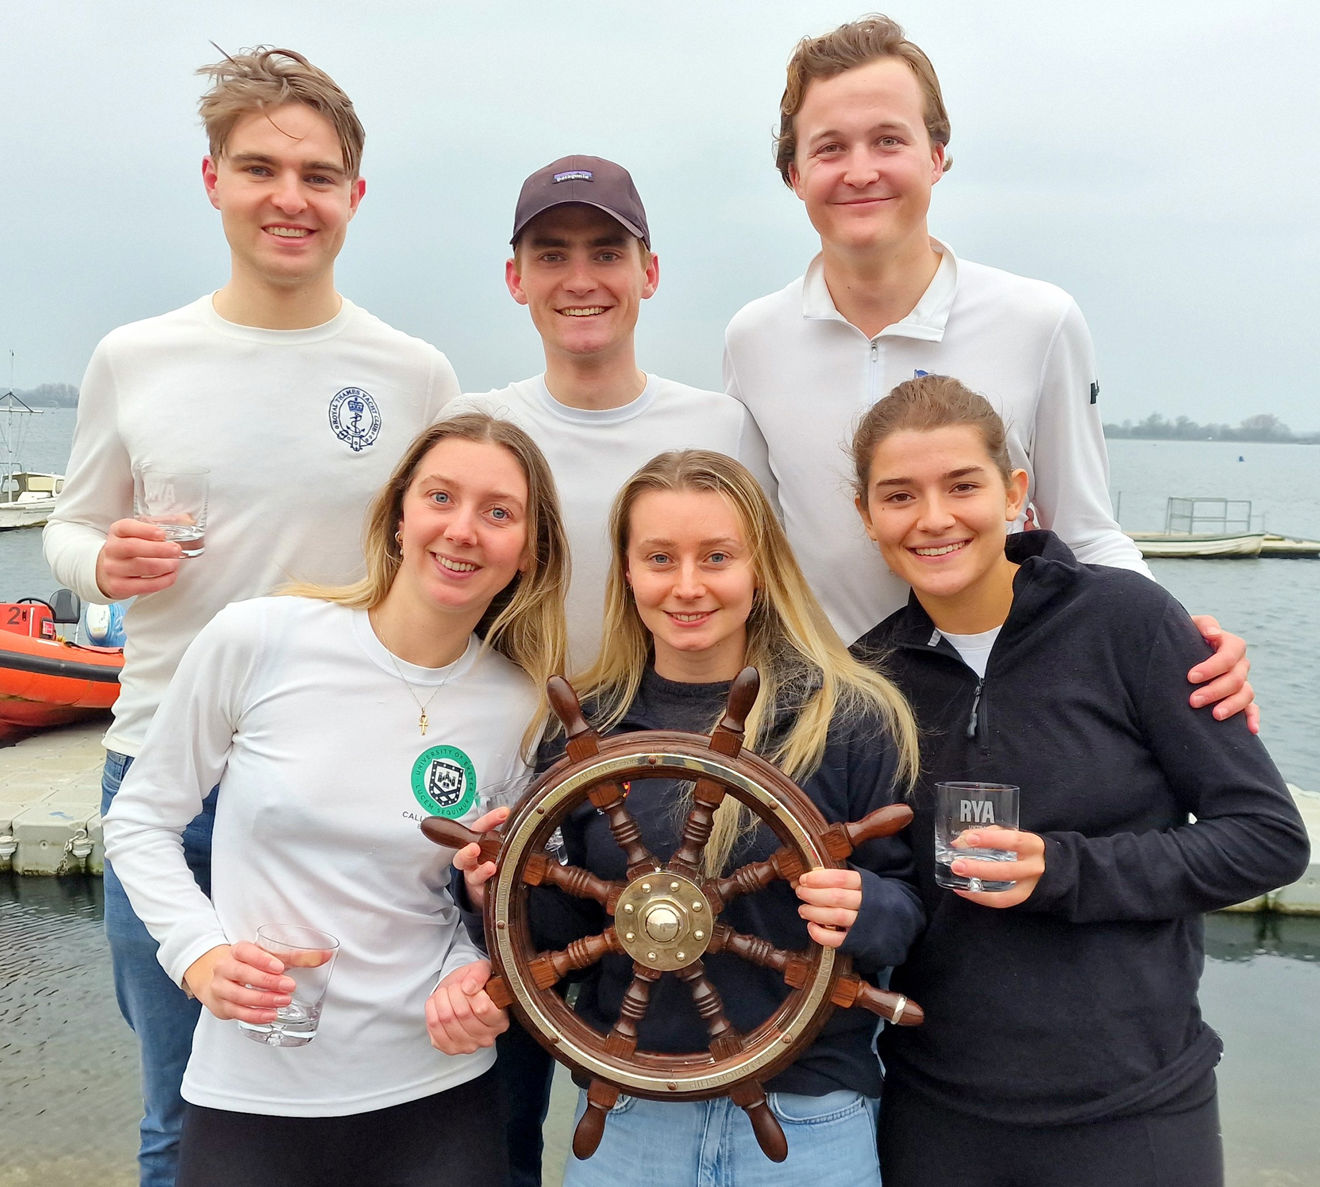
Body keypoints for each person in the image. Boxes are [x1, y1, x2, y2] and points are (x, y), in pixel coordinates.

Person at [42, 47, 459, 1185]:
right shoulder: (136, 357)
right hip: (164, 781)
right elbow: (70, 528)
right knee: (180, 1114)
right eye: (260, 169)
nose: (290, 198)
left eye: (318, 176)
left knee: (363, 1102)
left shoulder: (413, 374)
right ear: (213, 180)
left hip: (344, 787)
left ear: (354, 195)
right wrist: (101, 561)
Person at [722, 14, 1254, 722]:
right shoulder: (753, 339)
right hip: (828, 714)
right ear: (794, 174)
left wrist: (1183, 645)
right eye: (830, 147)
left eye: (889, 140)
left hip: (1006, 702)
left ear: (937, 156)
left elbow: (1087, 531)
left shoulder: (1039, 320)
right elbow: (751, 553)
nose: (861, 170)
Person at [847, 376, 1310, 1187]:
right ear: (866, 515)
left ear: (1015, 493)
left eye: (963, 485)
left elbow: (1268, 840)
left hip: (1136, 1108)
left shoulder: (1128, 621)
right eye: (900, 495)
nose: (934, 517)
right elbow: (883, 893)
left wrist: (1063, 868)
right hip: (938, 1110)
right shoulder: (869, 680)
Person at [102, 413, 570, 1187]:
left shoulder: (521, 707)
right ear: (398, 518)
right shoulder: (259, 639)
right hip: (251, 1090)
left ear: (528, 552)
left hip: (437, 1093)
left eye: (498, 512)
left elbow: (474, 899)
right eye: (441, 497)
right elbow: (140, 818)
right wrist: (198, 954)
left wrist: (474, 976)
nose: (462, 529)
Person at [458, 450, 923, 1187]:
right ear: (628, 573)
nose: (687, 585)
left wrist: (864, 906)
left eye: (716, 557)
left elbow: (907, 916)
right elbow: (557, 936)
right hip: (629, 1120)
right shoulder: (585, 733)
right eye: (659, 558)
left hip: (809, 1117)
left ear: (760, 568)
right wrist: (492, 888)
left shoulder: (848, 718)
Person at [455, 155, 774, 671]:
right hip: (512, 721)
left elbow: (771, 604)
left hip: (685, 722)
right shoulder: (473, 430)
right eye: (552, 256)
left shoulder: (725, 428)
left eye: (606, 255)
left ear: (649, 272)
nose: (580, 281)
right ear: (516, 279)